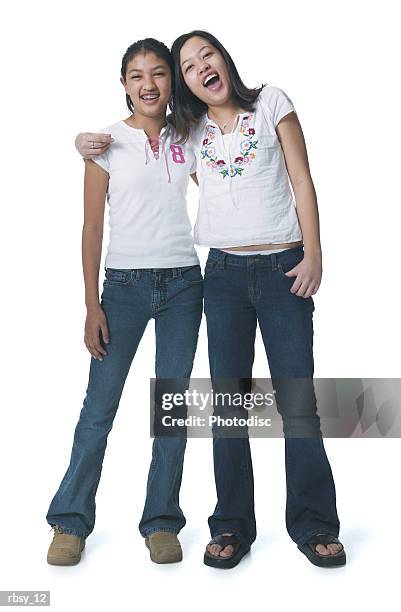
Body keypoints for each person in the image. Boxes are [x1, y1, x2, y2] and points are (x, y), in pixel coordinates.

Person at [75, 31, 346, 569]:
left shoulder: (272, 102)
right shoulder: (189, 131)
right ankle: (231, 525)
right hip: (221, 274)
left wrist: (313, 252)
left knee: (298, 404)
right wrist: (82, 143)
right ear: (185, 85)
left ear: (223, 59)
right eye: (189, 65)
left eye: (207, 57)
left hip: (284, 267)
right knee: (228, 408)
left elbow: (302, 179)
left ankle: (314, 523)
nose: (201, 68)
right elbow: (138, 150)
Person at [46, 38, 203, 566]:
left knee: (172, 407)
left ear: (170, 82)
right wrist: (92, 304)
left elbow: (226, 176)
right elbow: (92, 228)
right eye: (137, 75)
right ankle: (70, 520)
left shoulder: (190, 135)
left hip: (185, 284)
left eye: (159, 73)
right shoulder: (105, 143)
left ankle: (161, 520)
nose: (149, 84)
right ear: (124, 85)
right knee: (100, 404)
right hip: (125, 288)